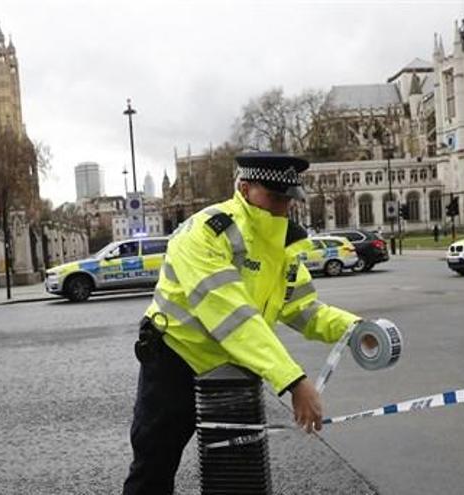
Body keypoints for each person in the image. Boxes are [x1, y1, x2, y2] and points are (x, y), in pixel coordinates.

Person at [123, 152, 365, 495]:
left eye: (287, 200)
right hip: (175, 362)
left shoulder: (282, 246)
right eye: (274, 197)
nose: (282, 209)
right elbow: (232, 317)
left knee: (236, 474)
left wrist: (356, 329)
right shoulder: (207, 232)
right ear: (244, 187)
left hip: (231, 372)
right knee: (153, 469)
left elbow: (304, 310)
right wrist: (293, 381)